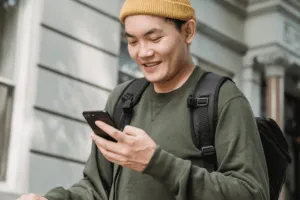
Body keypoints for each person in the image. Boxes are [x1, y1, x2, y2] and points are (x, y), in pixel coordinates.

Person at [17, 0, 269, 199]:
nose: (143, 53)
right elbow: (95, 189)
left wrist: (157, 162)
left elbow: (251, 193)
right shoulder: (123, 99)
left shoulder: (224, 99)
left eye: (155, 38)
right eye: (132, 41)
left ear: (188, 31)